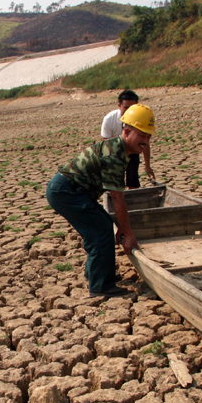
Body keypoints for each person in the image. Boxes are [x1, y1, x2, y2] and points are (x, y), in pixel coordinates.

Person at [47, 104, 156, 297]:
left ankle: (95, 274)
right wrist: (128, 233)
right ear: (126, 132)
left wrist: (122, 227)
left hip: (72, 191)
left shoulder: (121, 150)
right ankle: (100, 286)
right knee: (100, 230)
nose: (145, 142)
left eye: (148, 137)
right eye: (141, 135)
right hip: (66, 191)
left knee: (103, 223)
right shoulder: (115, 155)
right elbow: (118, 199)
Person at [101, 90, 155, 188]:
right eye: (126, 108)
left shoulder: (140, 121)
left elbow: (144, 144)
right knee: (115, 182)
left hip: (131, 150)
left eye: (132, 108)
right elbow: (105, 144)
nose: (129, 111)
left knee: (133, 178)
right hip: (114, 152)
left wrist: (147, 166)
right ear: (119, 106)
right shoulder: (109, 119)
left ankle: (132, 192)